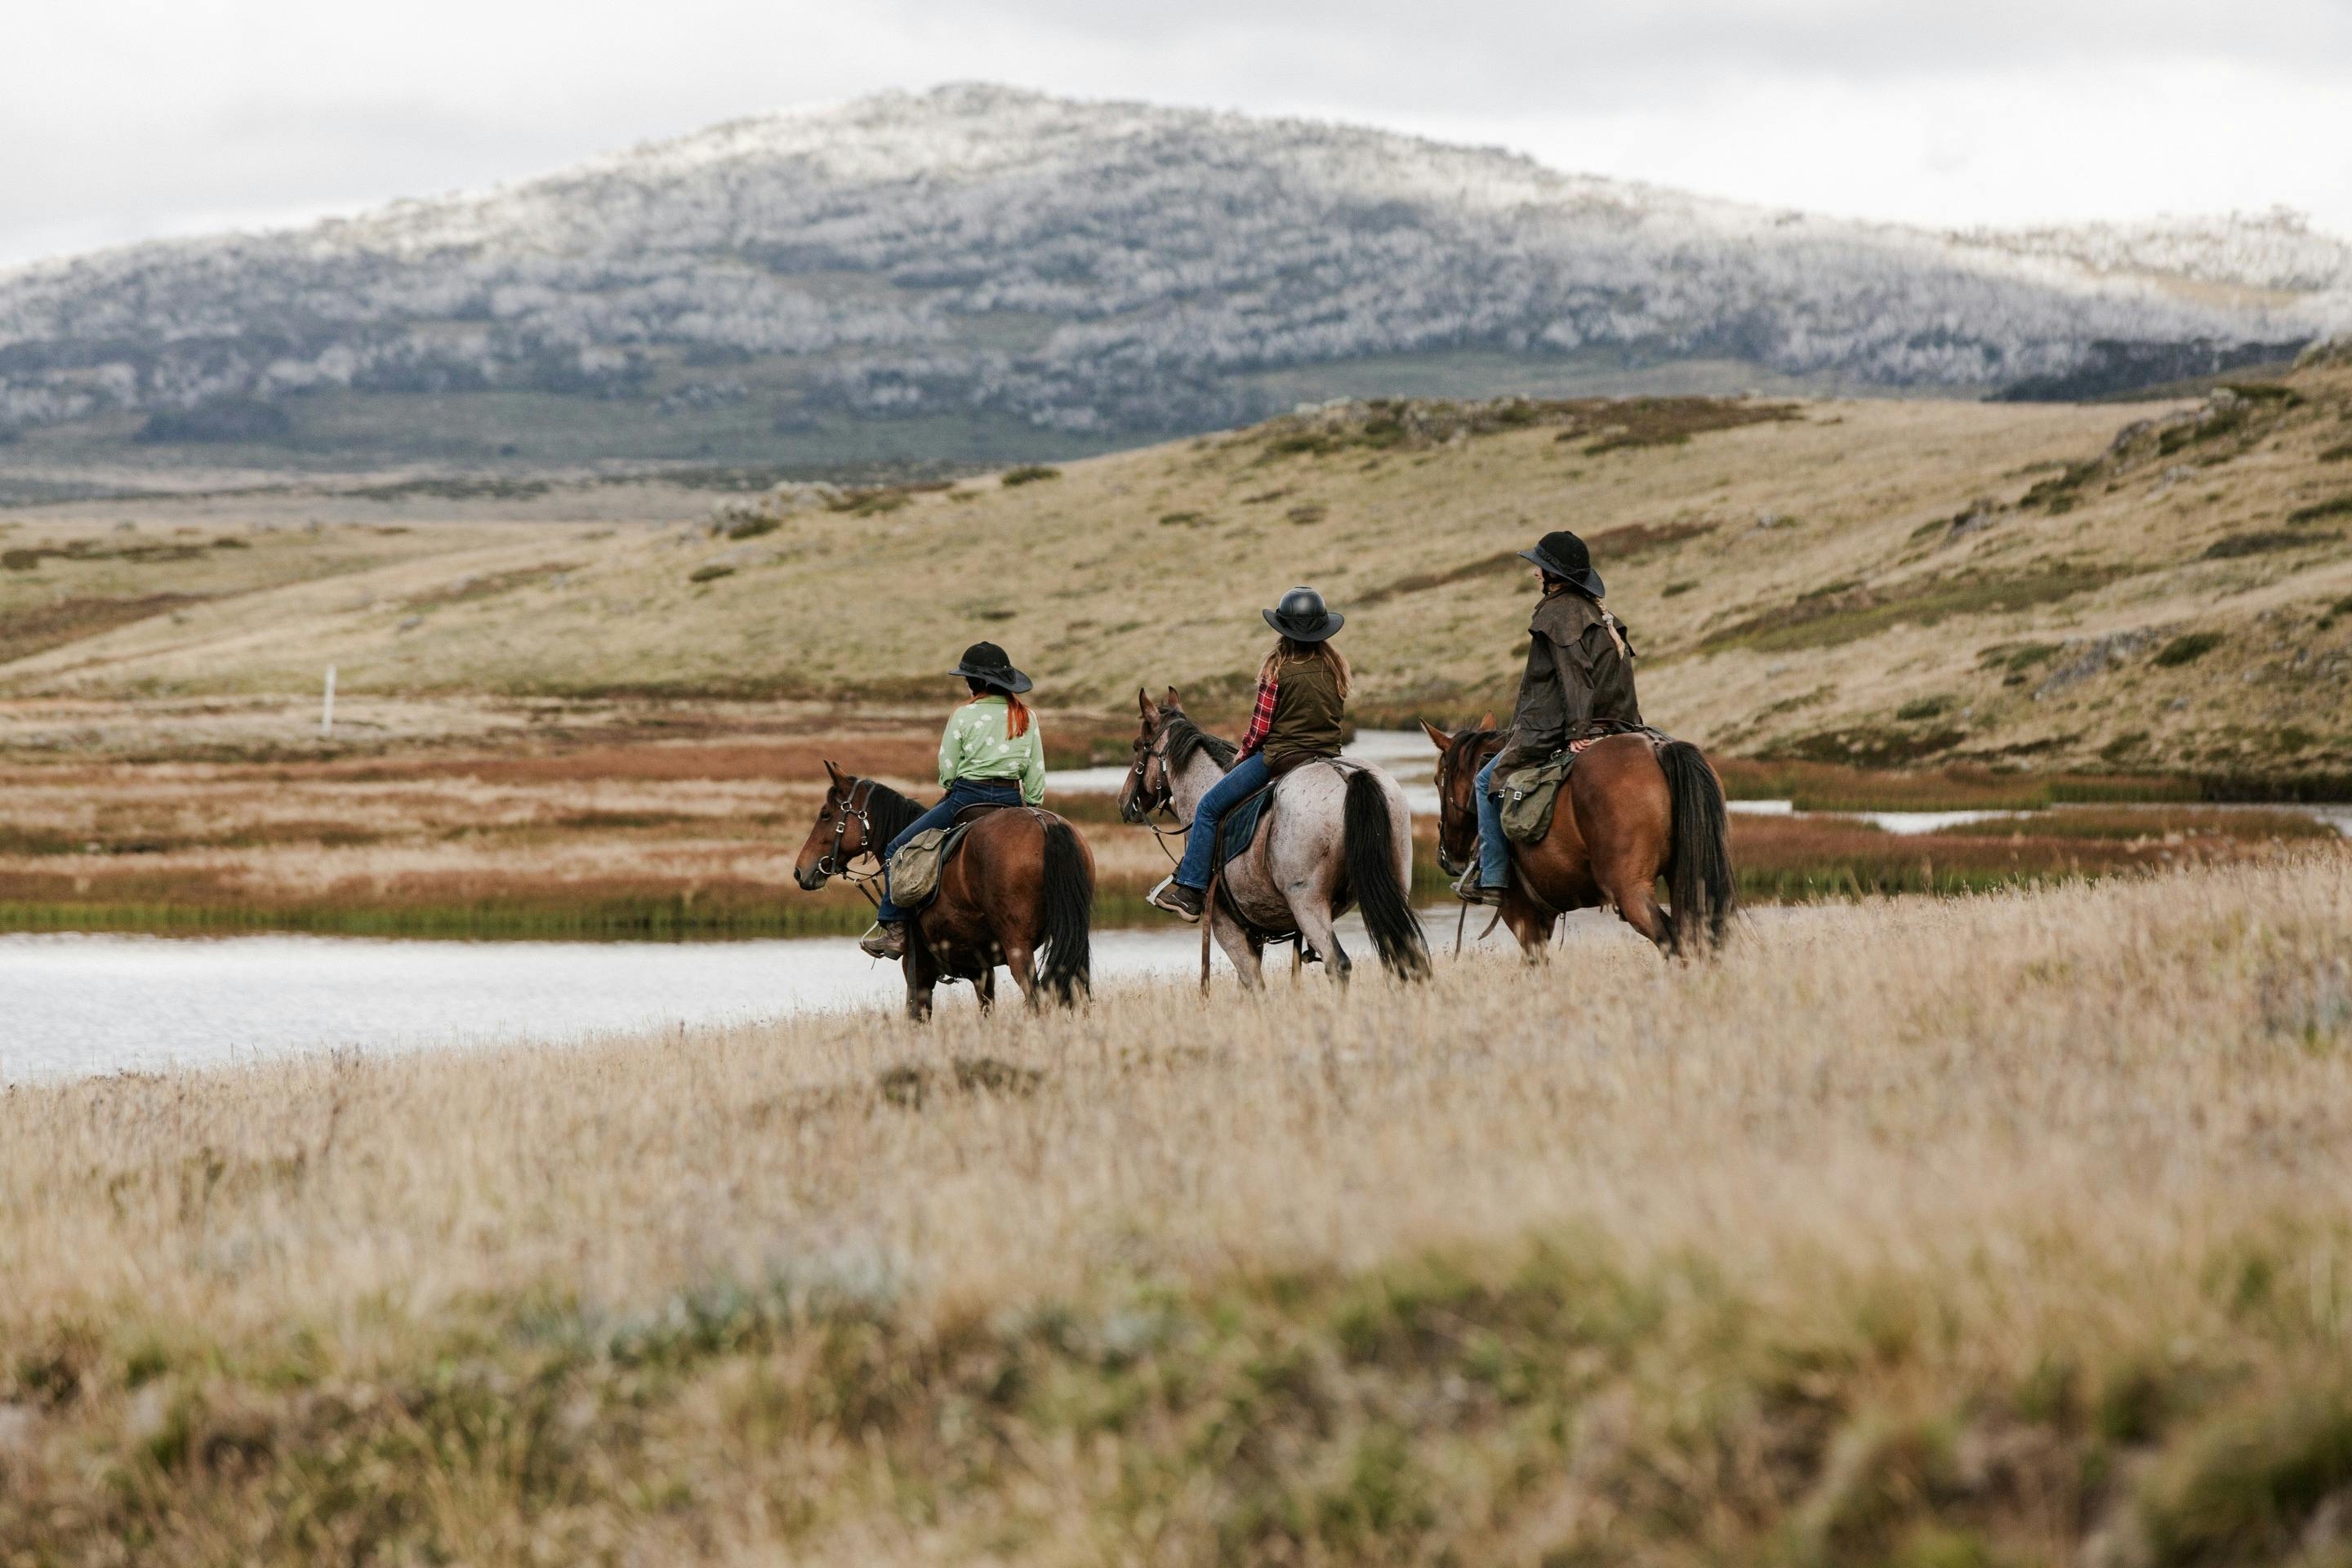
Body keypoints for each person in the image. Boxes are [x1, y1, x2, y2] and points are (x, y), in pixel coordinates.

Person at [1458, 530, 1642, 906]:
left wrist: (1577, 731)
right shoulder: (1599, 613)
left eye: (1540, 568)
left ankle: (1492, 876)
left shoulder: (1559, 614)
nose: (1535, 574)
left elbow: (1573, 674)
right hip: (1622, 724)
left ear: (1555, 576)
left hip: (1558, 727)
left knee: (1484, 781)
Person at [1147, 586, 1350, 921]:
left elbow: (1259, 730)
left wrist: (1241, 756)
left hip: (1281, 757)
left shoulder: (1277, 670)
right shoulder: (1335, 667)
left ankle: (1191, 890)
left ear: (1283, 631)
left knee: (1210, 806)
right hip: (1327, 758)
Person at [858, 641, 1047, 960]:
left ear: (977, 683)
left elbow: (947, 768)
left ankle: (896, 932)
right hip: (1011, 801)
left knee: (895, 849)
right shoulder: (1026, 716)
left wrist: (950, 784)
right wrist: (1031, 803)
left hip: (966, 798)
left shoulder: (964, 715)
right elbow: (1036, 770)